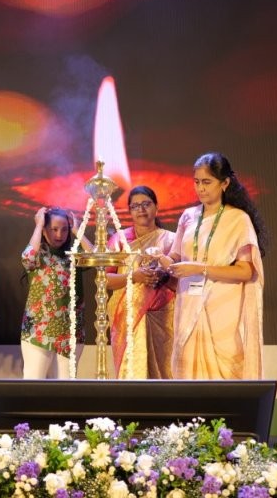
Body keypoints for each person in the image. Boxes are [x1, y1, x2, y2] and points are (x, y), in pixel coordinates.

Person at [154, 152, 267, 379]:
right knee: (189, 374)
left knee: (223, 376)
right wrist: (163, 260)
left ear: (224, 183)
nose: (200, 188)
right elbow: (176, 255)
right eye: (196, 182)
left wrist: (199, 269)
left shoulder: (238, 219)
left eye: (207, 182)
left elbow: (246, 271)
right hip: (189, 303)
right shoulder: (188, 216)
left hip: (223, 309)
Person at [105, 186, 176, 379]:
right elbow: (104, 280)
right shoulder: (120, 240)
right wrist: (133, 277)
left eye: (146, 204)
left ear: (156, 207)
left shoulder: (170, 240)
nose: (141, 210)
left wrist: (163, 275)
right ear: (129, 211)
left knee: (163, 373)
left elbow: (181, 281)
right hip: (128, 318)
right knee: (132, 373)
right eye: (135, 206)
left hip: (164, 317)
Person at [20, 206, 87, 379]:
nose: (59, 234)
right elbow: (27, 258)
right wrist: (39, 225)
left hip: (70, 330)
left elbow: (98, 259)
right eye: (54, 229)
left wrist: (77, 231)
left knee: (67, 387)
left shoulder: (74, 254)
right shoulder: (39, 253)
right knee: (33, 382)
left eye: (64, 229)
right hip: (39, 329)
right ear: (44, 230)